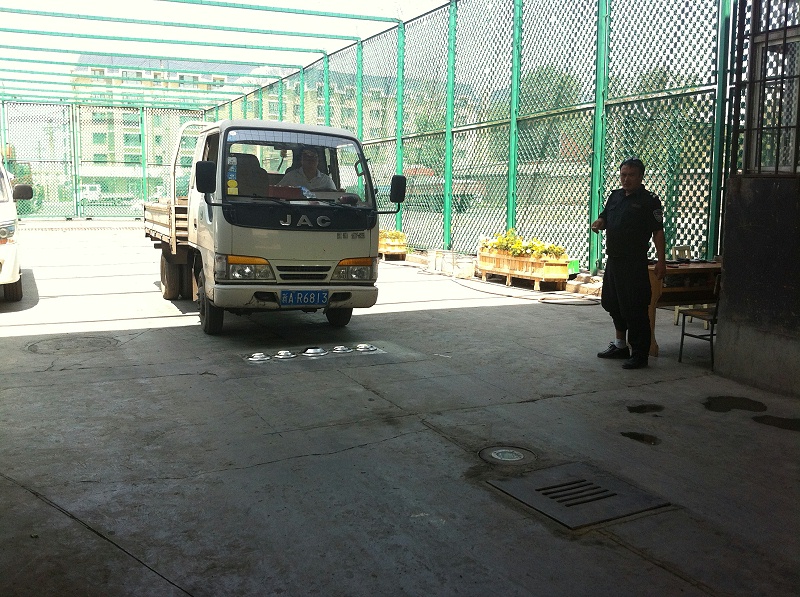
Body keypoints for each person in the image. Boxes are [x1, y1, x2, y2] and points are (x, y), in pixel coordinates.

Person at [591, 158, 666, 369]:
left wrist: (662, 261)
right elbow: (605, 217)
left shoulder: (649, 200)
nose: (626, 179)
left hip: (634, 263)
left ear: (640, 177)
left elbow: (657, 231)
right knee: (612, 303)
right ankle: (620, 345)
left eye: (631, 175)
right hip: (614, 260)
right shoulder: (615, 196)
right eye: (623, 175)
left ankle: (640, 353)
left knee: (635, 307)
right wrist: (600, 222)